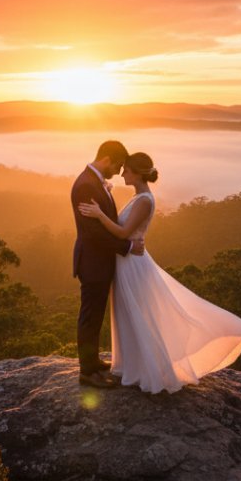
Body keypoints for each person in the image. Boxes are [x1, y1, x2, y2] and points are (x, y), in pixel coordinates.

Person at [78, 152, 241, 394]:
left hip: (133, 265)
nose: (122, 173)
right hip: (127, 261)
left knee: (140, 314)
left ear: (137, 173)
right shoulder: (138, 197)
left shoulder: (144, 201)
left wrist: (99, 215)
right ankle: (133, 365)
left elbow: (121, 232)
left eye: (126, 170)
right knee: (129, 314)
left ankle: (148, 368)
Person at [71, 140, 144, 388]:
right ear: (106, 160)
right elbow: (93, 233)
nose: (119, 171)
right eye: (118, 165)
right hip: (92, 261)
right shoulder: (85, 186)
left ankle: (92, 363)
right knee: (90, 316)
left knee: (96, 314)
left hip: (100, 261)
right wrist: (127, 247)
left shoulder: (94, 182)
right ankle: (87, 372)